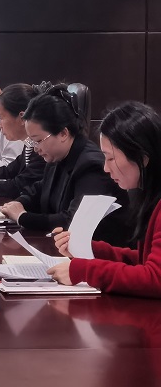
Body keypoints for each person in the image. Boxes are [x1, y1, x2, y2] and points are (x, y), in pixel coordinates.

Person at [48, 102, 161, 297]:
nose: (106, 168)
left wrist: (84, 270)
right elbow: (144, 260)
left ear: (143, 158)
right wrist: (90, 250)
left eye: (110, 158)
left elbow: (155, 278)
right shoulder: (149, 195)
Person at [0, 84, 130, 246]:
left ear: (63, 133)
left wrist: (23, 217)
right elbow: (40, 189)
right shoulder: (57, 156)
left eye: (38, 140)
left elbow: (74, 220)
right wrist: (20, 202)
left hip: (100, 252)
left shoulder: (91, 166)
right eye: (32, 141)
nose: (35, 148)